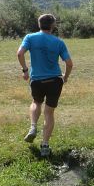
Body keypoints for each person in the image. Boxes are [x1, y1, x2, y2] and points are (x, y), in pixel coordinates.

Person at [17, 14, 73, 157]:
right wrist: (65, 77)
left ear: (39, 24)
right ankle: (45, 146)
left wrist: (25, 70)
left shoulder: (30, 37)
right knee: (49, 112)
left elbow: (20, 53)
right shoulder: (59, 42)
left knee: (36, 102)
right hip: (55, 80)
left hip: (36, 79)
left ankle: (33, 127)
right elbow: (69, 63)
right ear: (53, 25)